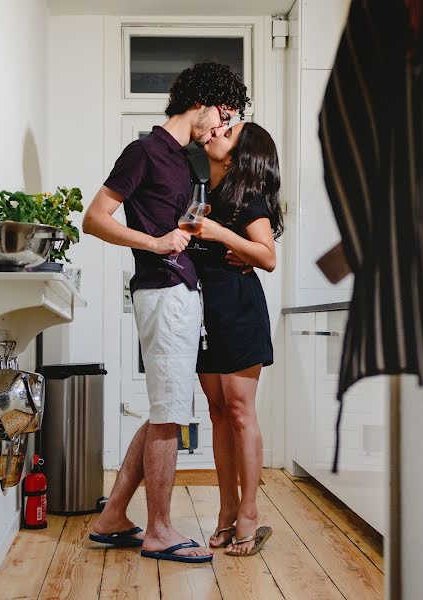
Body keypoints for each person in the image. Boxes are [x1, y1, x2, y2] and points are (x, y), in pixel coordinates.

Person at [81, 62, 249, 564]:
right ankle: (158, 529)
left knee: (162, 408)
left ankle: (114, 517)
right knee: (170, 414)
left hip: (179, 290)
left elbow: (173, 225)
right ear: (200, 102)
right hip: (162, 291)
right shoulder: (146, 151)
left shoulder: (184, 160)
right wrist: (155, 241)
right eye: (221, 115)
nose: (221, 127)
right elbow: (95, 218)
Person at [191, 120, 283, 556]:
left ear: (236, 155)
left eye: (226, 132)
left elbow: (267, 256)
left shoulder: (248, 197)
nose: (214, 131)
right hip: (205, 313)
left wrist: (224, 234)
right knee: (217, 412)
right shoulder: (201, 191)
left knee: (241, 411)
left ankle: (249, 511)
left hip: (240, 311)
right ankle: (226, 509)